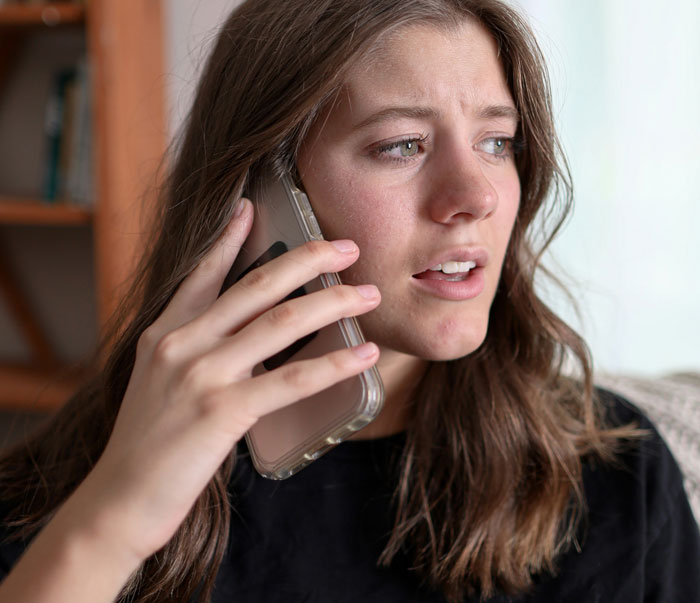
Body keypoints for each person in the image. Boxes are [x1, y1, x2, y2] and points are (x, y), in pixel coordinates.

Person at [0, 0, 698, 601]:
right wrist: (110, 524)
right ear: (265, 193)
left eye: (497, 140)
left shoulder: (617, 479)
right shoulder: (63, 496)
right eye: (402, 145)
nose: (478, 194)